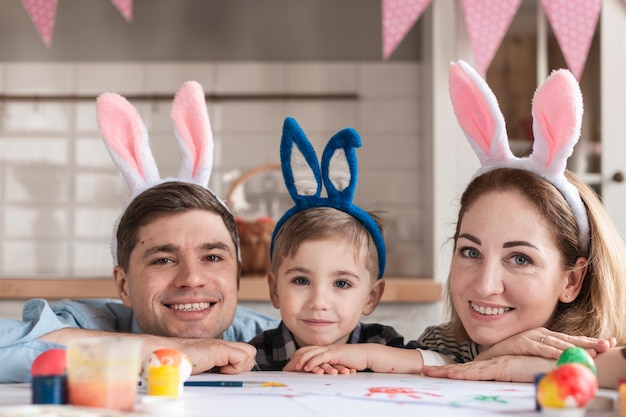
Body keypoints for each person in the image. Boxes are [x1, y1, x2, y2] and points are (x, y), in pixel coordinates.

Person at [285, 61, 624, 382]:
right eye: (470, 252)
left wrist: (533, 368)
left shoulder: (609, 345)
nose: (485, 285)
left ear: (572, 280)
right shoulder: (443, 346)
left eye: (520, 259)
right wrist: (488, 362)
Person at [0, 81, 279, 383]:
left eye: (212, 257)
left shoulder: (266, 339)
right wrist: (163, 349)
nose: (192, 279)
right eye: (163, 260)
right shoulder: (88, 324)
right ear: (123, 286)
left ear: (236, 276)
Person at [249, 117, 407, 371]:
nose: (318, 301)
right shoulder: (256, 355)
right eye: (301, 280)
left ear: (371, 297)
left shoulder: (383, 345)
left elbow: (435, 370)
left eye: (342, 283)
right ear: (275, 290)